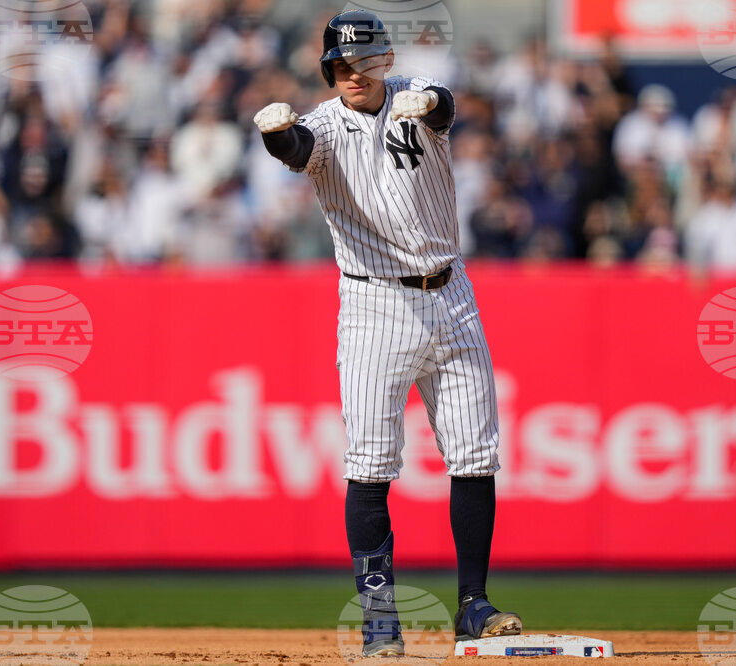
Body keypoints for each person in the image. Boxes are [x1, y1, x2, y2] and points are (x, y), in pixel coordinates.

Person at [253, 10, 521, 658]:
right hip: (374, 303)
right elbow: (298, 150)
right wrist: (277, 136)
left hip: (451, 292)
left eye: (364, 60)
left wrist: (431, 104)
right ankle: (379, 619)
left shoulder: (415, 95)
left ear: (386, 59)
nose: (353, 72)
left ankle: (474, 605)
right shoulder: (324, 124)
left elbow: (442, 108)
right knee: (371, 464)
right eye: (340, 64)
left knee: (475, 455)